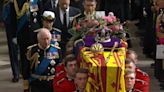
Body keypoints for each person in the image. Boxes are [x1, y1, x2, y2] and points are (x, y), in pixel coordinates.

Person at [2, 0, 20, 82]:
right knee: (13, 47)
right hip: (10, 14)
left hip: (24, 14)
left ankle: (25, 71)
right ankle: (16, 72)